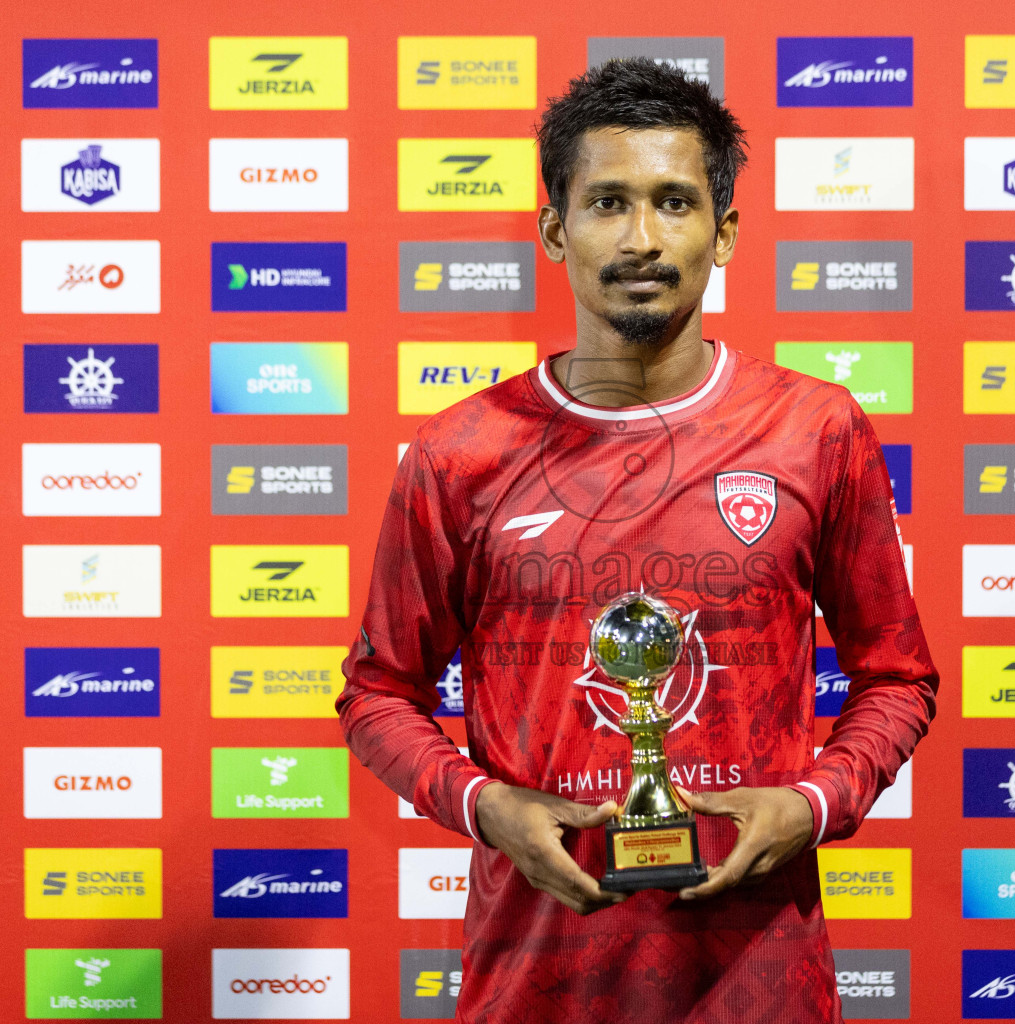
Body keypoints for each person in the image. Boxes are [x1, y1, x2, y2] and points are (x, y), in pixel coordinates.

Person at [337, 56, 938, 1023]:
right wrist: (487, 807)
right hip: (533, 980)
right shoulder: (460, 453)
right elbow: (379, 693)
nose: (644, 238)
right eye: (608, 202)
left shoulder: (816, 429)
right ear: (553, 229)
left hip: (758, 986)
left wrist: (815, 805)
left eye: (675, 201)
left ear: (725, 229)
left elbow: (897, 677)